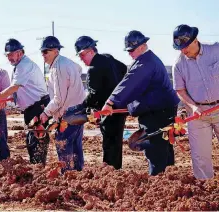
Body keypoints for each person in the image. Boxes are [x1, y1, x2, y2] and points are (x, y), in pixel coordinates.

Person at [101, 30, 180, 176]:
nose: (130, 53)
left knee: (155, 146)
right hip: (162, 109)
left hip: (157, 111)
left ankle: (158, 181)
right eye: (128, 50)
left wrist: (111, 102)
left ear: (143, 45)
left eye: (132, 50)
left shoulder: (145, 62)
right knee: (164, 145)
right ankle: (168, 181)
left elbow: (129, 83)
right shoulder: (148, 60)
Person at [0, 38, 50, 164]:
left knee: (36, 141)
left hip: (37, 108)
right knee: (32, 141)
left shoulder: (24, 65)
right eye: (8, 55)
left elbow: (14, 87)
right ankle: (37, 169)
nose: (9, 58)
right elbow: (20, 90)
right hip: (33, 108)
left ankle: (39, 171)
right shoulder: (20, 65)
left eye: (11, 54)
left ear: (20, 52)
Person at [172, 24, 219, 179]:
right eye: (180, 48)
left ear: (195, 40)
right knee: (200, 157)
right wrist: (193, 106)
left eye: (185, 46)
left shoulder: (216, 51)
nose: (183, 51)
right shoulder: (178, 65)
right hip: (198, 115)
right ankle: (206, 188)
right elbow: (180, 90)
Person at [74, 36, 127, 169]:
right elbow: (124, 69)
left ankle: (109, 171)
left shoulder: (93, 68)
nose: (81, 59)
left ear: (91, 51)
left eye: (82, 55)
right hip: (119, 108)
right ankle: (115, 170)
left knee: (109, 142)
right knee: (116, 141)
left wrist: (82, 106)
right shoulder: (108, 57)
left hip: (107, 110)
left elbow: (93, 94)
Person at [39, 36, 86, 172]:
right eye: (42, 52)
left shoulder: (58, 67)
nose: (43, 55)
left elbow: (58, 99)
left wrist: (45, 113)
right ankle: (79, 178)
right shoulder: (68, 63)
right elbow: (78, 69)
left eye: (46, 52)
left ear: (55, 51)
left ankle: (67, 180)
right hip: (79, 111)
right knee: (76, 149)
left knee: (63, 146)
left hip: (68, 115)